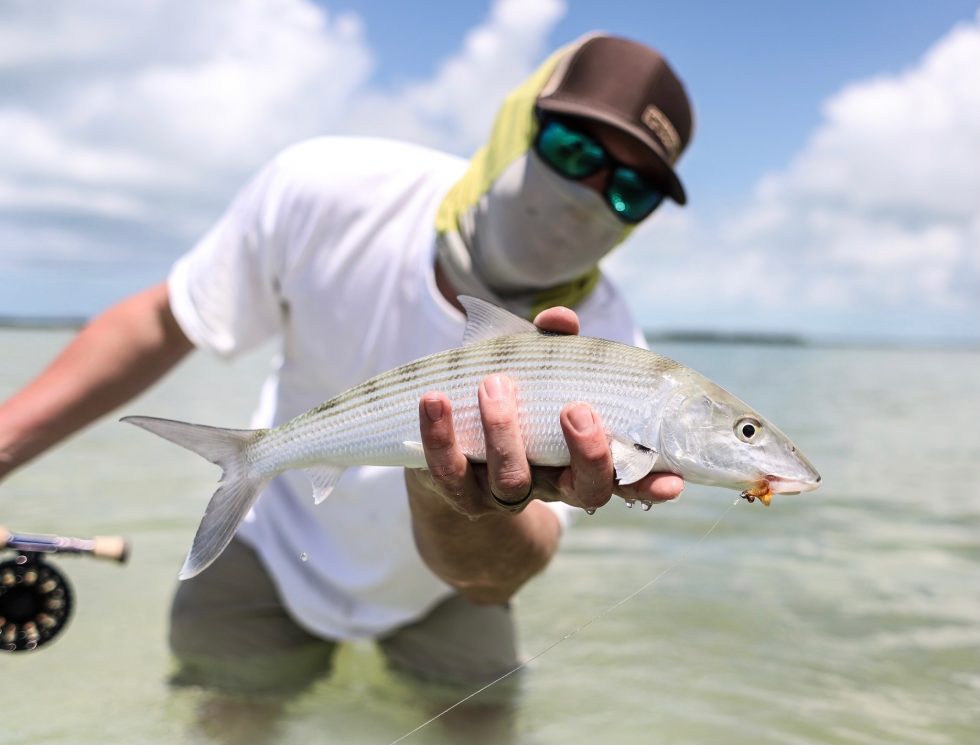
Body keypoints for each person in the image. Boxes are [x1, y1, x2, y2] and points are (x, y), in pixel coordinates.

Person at [0, 33, 693, 698]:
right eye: (573, 148)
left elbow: (491, 581)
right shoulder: (330, 189)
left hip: (450, 585)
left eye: (633, 189)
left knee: (481, 717)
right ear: (520, 123)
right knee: (222, 711)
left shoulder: (615, 349)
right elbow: (168, 319)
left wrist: (444, 488)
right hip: (274, 541)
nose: (593, 191)